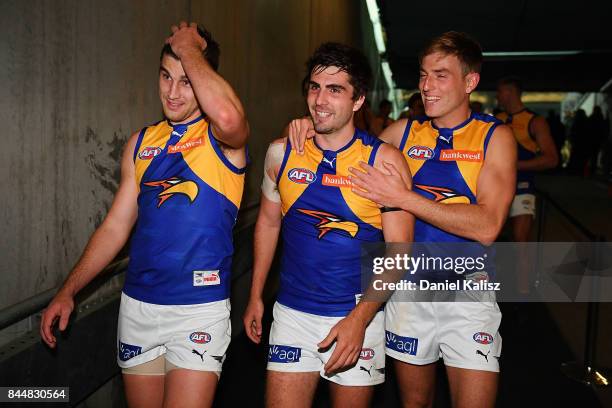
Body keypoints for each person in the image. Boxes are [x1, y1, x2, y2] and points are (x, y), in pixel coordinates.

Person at [40, 22, 248, 408]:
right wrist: (68, 290)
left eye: (187, 81)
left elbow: (232, 120)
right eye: (166, 77)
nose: (172, 92)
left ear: (205, 80)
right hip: (139, 307)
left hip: (197, 311)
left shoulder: (221, 141)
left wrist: (189, 48)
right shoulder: (142, 143)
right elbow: (116, 226)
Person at [344, 32, 517, 407]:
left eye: (440, 75)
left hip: (468, 292)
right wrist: (310, 128)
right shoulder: (402, 133)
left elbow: (487, 226)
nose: (426, 86)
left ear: (470, 82)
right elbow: (344, 152)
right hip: (408, 292)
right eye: (423, 75)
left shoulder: (494, 137)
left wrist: (405, 198)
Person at [243, 42, 413, 408]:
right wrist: (256, 293)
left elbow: (400, 252)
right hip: (292, 314)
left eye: (335, 90)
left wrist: (360, 319)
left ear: (358, 100)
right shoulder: (281, 152)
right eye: (314, 87)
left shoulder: (384, 162)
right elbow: (269, 223)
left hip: (357, 315)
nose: (320, 100)